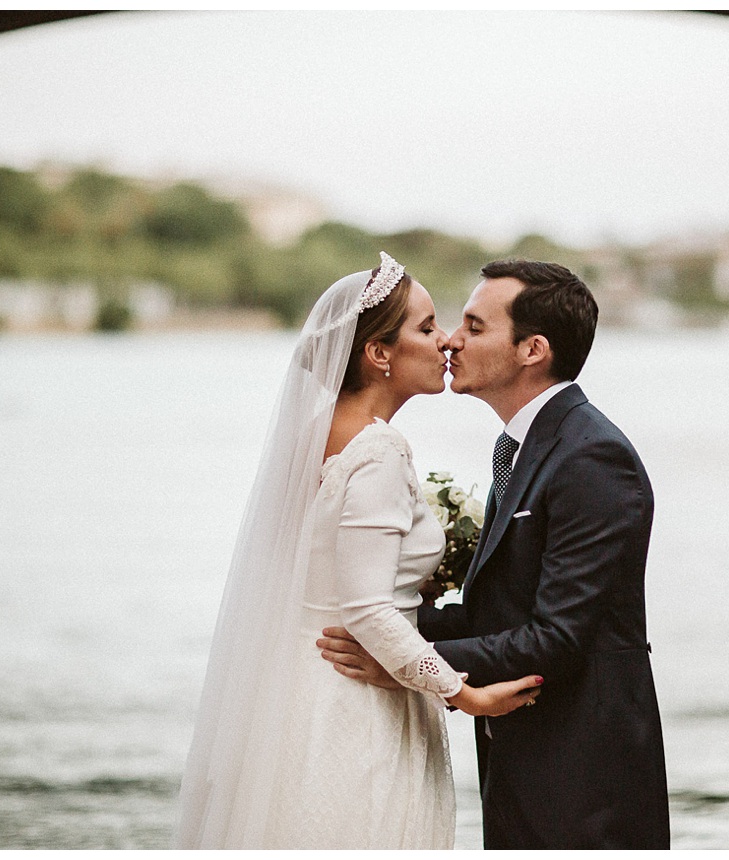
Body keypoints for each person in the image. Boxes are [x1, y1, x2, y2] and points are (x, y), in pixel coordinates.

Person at [174, 254, 543, 849]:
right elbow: (370, 611)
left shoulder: (318, 431)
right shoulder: (378, 451)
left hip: (302, 690)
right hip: (354, 704)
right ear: (379, 354)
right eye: (426, 328)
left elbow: (326, 567)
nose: (447, 339)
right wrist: (466, 695)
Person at [319, 260, 671, 849]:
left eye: (475, 327)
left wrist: (410, 662)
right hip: (522, 761)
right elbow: (498, 608)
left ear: (532, 350)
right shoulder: (522, 446)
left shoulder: (591, 458)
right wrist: (388, 630)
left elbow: (556, 636)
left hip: (583, 776)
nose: (453, 339)